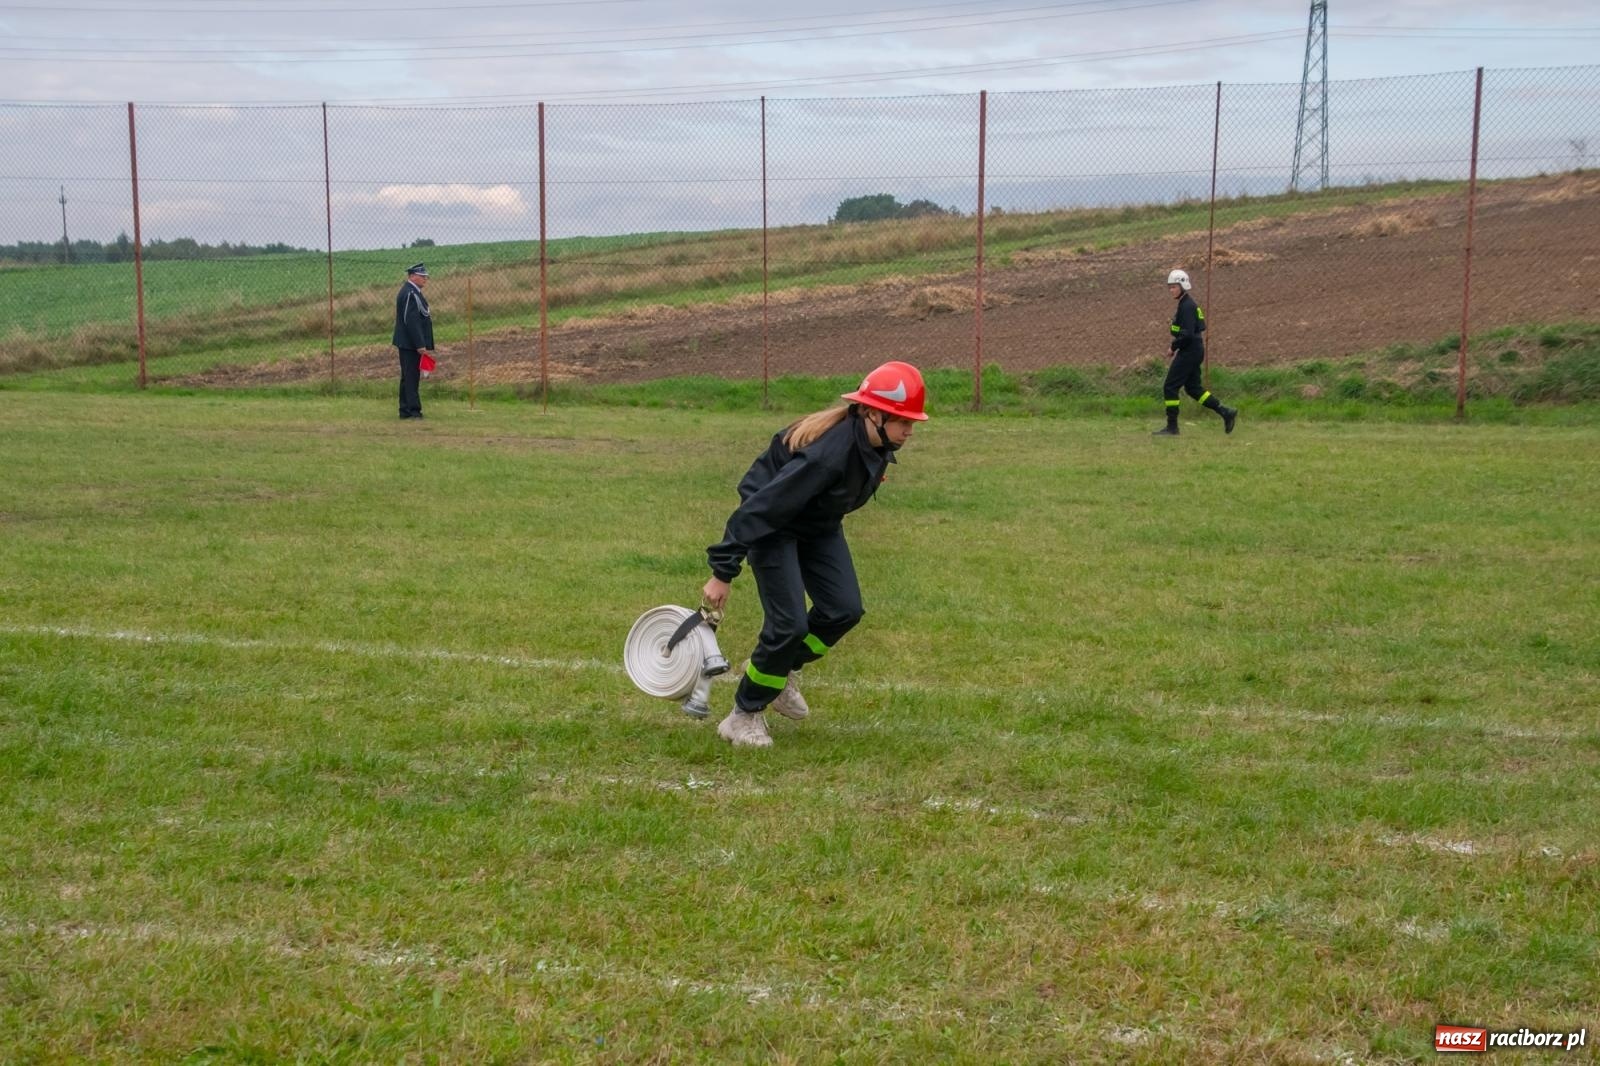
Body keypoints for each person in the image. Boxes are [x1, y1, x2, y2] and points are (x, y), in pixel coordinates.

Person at [700, 360, 929, 748]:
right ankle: (743, 716)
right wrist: (723, 571)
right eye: (900, 420)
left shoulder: (874, 443)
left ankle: (784, 669)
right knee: (788, 626)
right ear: (871, 413)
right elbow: (762, 507)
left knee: (844, 610)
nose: (909, 429)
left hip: (815, 525)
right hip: (773, 526)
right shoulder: (827, 455)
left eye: (911, 421)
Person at [1154, 268, 1236, 436]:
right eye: (1169, 287)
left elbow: (1188, 334)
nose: (1171, 290)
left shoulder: (1187, 306)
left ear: (1183, 286)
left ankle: (1172, 427)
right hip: (1194, 350)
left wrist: (1173, 346)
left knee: (1170, 387)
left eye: (1174, 286)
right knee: (1193, 388)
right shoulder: (1185, 304)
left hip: (1189, 351)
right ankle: (1225, 412)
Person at [393, 262, 435, 420]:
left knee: (407, 376)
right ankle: (414, 411)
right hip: (410, 344)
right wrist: (420, 344)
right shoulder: (410, 293)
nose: (425, 279)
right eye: (422, 276)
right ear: (412, 276)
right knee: (411, 377)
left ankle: (404, 410)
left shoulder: (412, 291)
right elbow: (411, 322)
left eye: (426, 276)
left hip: (408, 343)